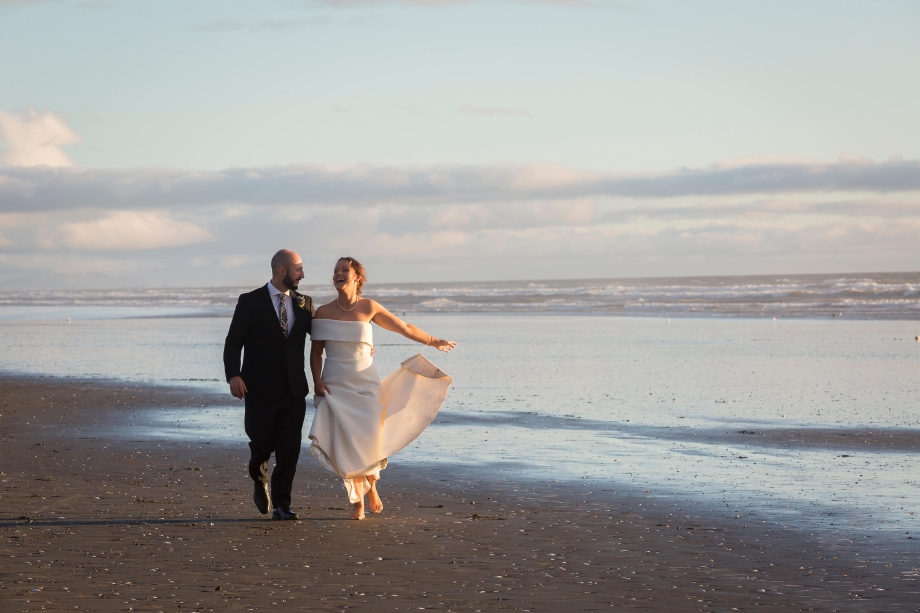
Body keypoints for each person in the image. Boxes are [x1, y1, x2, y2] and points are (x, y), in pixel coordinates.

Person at [309, 257, 457, 520]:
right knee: (345, 442)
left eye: (345, 270)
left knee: (369, 437)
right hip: (335, 383)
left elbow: (404, 327)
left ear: (357, 278)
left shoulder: (369, 308)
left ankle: (373, 487)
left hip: (365, 381)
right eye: (335, 271)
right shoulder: (322, 312)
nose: (338, 274)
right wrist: (317, 380)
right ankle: (358, 504)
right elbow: (316, 351)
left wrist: (433, 341)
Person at [223, 249, 314, 521]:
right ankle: (259, 477)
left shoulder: (305, 304)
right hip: (258, 389)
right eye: (298, 269)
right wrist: (233, 375)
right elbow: (233, 342)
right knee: (261, 443)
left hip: (294, 390)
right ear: (282, 271)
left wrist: (356, 345)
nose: (303, 274)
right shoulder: (250, 302)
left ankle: (282, 504)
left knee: (289, 449)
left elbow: (323, 337)